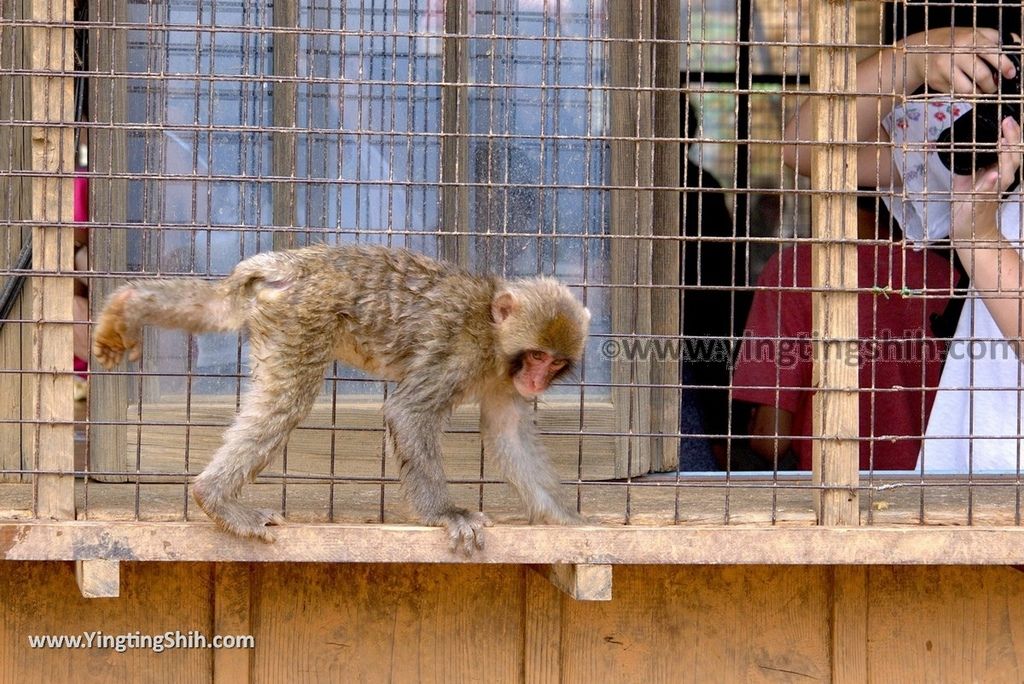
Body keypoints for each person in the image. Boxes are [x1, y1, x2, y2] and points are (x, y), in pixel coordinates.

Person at [782, 25, 1024, 472]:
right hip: (965, 466)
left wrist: (980, 238)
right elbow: (805, 147)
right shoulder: (995, 138)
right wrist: (911, 59)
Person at [731, 200, 952, 470]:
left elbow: (773, 439)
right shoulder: (944, 275)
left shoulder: (792, 271)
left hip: (831, 489)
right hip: (932, 485)